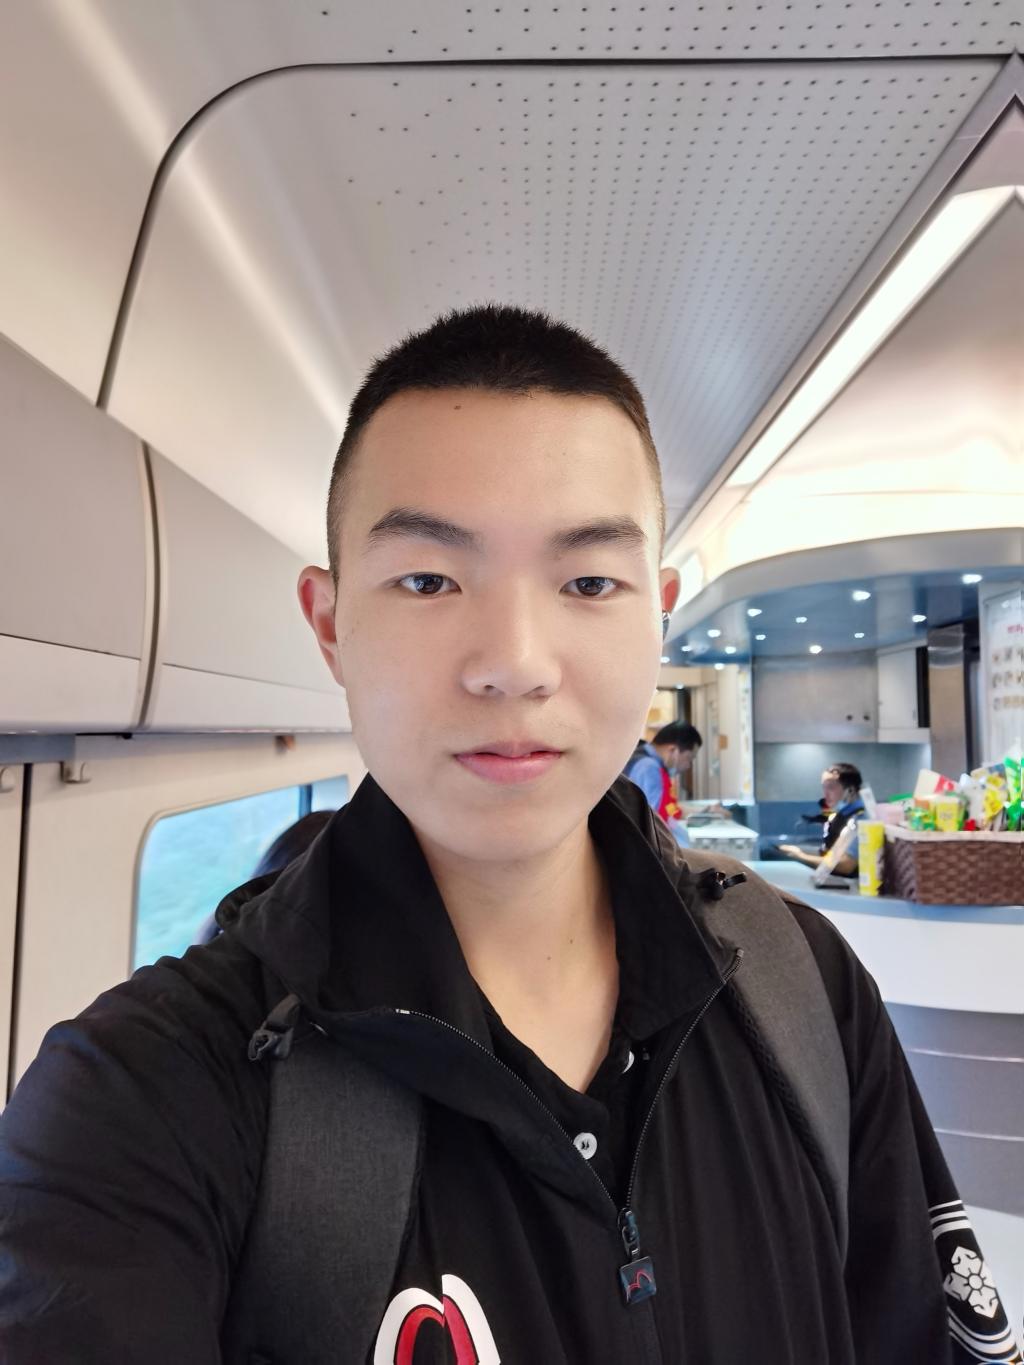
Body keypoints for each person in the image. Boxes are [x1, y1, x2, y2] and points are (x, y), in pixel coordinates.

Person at [1, 306, 1019, 1364]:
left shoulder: (801, 983)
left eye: (588, 583)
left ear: (656, 614)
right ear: (332, 625)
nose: (515, 663)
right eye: (429, 580)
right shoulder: (143, 1096)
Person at [780, 762, 866, 878]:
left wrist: (800, 856)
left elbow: (846, 865)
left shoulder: (861, 819)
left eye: (831, 787)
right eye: (824, 787)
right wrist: (798, 851)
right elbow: (830, 852)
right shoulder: (843, 815)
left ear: (850, 790)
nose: (825, 794)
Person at [622, 720, 703, 824]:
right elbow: (653, 820)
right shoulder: (649, 767)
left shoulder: (643, 758)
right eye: (689, 758)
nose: (688, 766)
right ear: (673, 750)